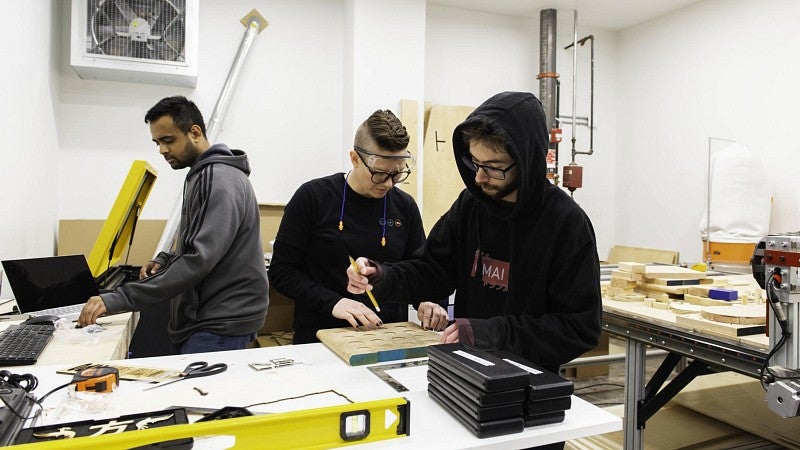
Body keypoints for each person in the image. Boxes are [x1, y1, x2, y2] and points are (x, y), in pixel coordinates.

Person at [347, 92, 602, 375]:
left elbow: (580, 328)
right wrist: (383, 276)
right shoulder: (472, 205)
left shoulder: (566, 224)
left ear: (526, 160)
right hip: (468, 370)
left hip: (529, 383)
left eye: (493, 168)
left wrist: (490, 333)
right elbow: (431, 271)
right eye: (475, 163)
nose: (479, 177)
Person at [77, 95, 269, 355]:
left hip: (219, 324)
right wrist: (167, 259)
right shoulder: (203, 175)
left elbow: (198, 258)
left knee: (196, 395)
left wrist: (119, 298)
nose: (162, 150)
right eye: (157, 142)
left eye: (168, 140)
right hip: (213, 319)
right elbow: (198, 242)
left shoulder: (218, 177)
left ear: (195, 132)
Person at [269, 109, 449, 344]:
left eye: (397, 174)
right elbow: (282, 272)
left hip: (389, 337)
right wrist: (333, 302)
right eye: (380, 173)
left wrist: (425, 301)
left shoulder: (404, 207)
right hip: (320, 338)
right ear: (355, 159)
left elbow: (418, 272)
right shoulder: (313, 197)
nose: (388, 183)